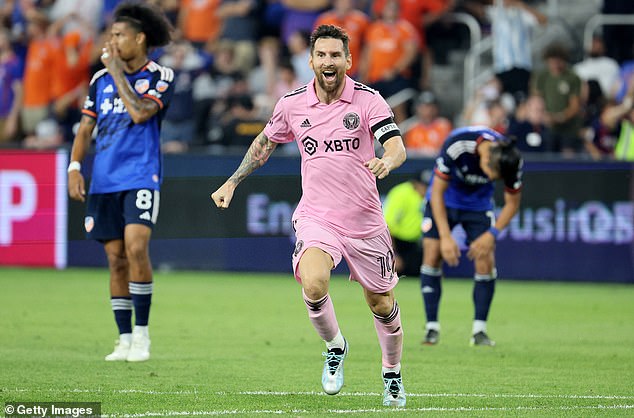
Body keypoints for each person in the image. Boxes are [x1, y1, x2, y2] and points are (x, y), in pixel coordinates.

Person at [211, 24, 408, 407]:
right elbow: (264, 143)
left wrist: (388, 161)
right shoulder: (292, 103)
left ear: (348, 61)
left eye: (336, 55)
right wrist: (232, 182)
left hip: (365, 220)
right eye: (322, 55)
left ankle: (392, 373)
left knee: (381, 303)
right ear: (311, 60)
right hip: (318, 216)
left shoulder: (369, 101)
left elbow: (397, 146)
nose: (329, 61)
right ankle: (335, 347)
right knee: (314, 283)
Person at [67, 2, 174, 362]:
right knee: (115, 259)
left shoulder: (160, 75)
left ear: (139, 39)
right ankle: (124, 338)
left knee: (136, 247)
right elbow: (85, 129)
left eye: (118, 35)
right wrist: (74, 167)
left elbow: (141, 113)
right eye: (110, 34)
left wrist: (115, 73)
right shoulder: (98, 82)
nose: (111, 42)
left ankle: (142, 336)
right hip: (104, 181)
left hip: (142, 175)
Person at [420, 126, 523, 347]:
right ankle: (431, 328)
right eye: (490, 173)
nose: (489, 178)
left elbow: (512, 203)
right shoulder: (458, 146)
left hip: (478, 206)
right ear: (485, 158)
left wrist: (492, 234)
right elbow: (437, 192)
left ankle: (479, 331)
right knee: (432, 253)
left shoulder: (511, 159)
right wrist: (447, 237)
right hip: (445, 200)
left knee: (486, 258)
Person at [383, 169, 432, 277]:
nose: (426, 190)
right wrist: (393, 254)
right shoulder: (401, 194)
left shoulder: (430, 196)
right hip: (398, 244)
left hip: (417, 244)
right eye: (423, 186)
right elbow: (388, 226)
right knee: (394, 274)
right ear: (415, 184)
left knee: (422, 274)